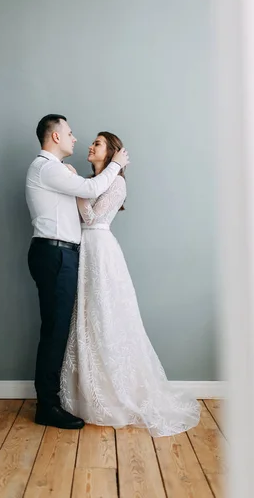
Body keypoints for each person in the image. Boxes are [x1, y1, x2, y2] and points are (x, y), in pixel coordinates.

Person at [60, 131, 200, 436]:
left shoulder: (117, 183)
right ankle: (87, 392)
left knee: (106, 315)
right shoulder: (89, 181)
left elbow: (94, 216)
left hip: (101, 249)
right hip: (83, 248)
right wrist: (77, 185)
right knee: (86, 316)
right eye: (92, 142)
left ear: (111, 152)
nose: (90, 145)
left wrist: (77, 190)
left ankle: (114, 393)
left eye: (97, 143)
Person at [25, 115, 129, 429]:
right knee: (55, 331)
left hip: (63, 253)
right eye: (69, 133)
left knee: (58, 329)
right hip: (55, 253)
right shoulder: (47, 168)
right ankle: (48, 406)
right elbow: (91, 187)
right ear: (55, 137)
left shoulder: (54, 170)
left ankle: (52, 401)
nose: (75, 138)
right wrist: (116, 164)